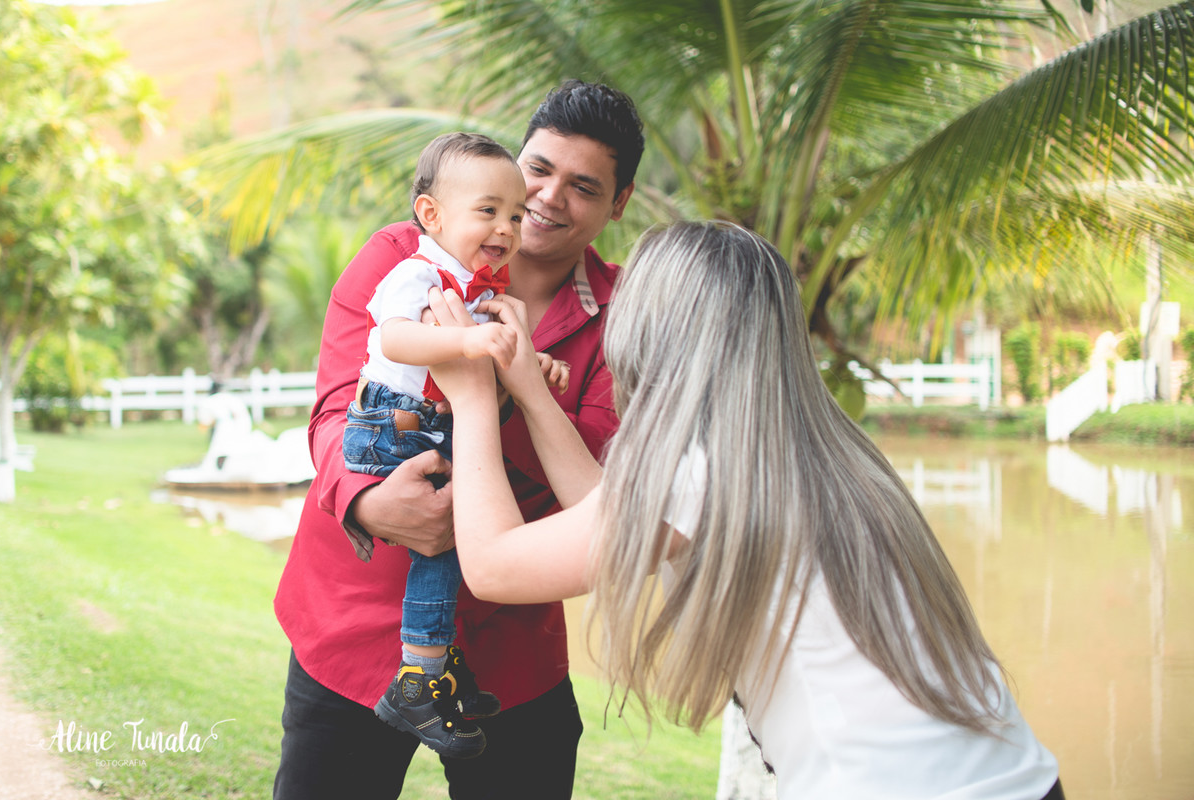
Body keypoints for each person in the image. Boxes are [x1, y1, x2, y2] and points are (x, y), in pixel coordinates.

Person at [428, 220, 1065, 800]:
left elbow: (493, 566)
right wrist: (532, 394)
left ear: (654, 330)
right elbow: (607, 508)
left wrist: (472, 396)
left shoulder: (698, 472)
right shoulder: (813, 447)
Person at [271, 80, 644, 799]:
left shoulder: (625, 315)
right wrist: (364, 502)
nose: (545, 198)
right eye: (538, 168)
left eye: (584, 186)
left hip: (509, 649)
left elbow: (595, 469)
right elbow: (333, 409)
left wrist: (505, 387)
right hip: (355, 625)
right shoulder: (400, 259)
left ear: (617, 203)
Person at [340, 131, 567, 759]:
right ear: (431, 216)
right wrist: (468, 344)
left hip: (428, 424)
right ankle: (419, 678)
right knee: (446, 542)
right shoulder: (418, 271)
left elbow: (497, 359)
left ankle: (441, 662)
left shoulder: (477, 287)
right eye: (488, 211)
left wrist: (534, 364)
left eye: (514, 216)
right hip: (390, 426)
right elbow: (396, 341)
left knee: (466, 538)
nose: (506, 227)